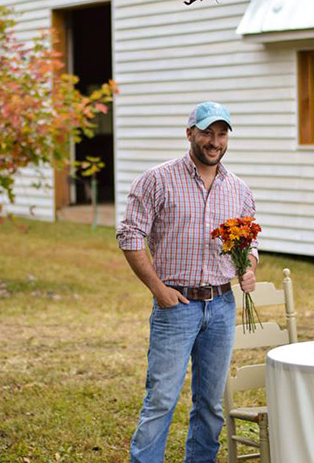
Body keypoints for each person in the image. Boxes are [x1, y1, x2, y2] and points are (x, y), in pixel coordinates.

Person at [116, 101, 258, 463]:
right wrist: (158, 289)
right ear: (190, 133)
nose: (214, 141)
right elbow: (130, 236)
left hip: (222, 306)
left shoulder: (238, 188)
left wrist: (250, 266)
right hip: (175, 306)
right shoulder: (157, 180)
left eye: (221, 133)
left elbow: (250, 242)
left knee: (210, 404)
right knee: (161, 399)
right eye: (207, 132)